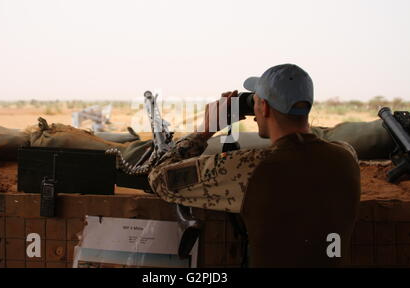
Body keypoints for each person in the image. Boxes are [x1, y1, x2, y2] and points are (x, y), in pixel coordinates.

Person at [148, 64, 361, 267]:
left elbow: (159, 178)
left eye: (255, 101)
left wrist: (206, 130)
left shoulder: (250, 167)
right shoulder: (346, 156)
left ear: (265, 107)